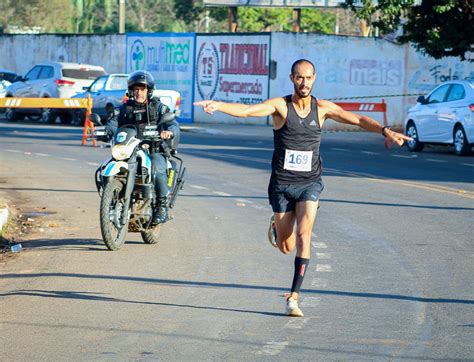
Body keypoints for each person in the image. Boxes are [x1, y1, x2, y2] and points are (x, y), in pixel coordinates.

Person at [194, 59, 411, 317]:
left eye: (308, 78)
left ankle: (294, 297)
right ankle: (276, 226)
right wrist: (218, 105)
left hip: (310, 183)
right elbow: (247, 111)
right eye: (299, 78)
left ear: (314, 79)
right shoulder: (280, 107)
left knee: (304, 236)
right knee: (286, 246)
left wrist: (385, 130)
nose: (304, 82)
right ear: (292, 78)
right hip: (282, 186)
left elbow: (359, 119)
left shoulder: (322, 109)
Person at [105, 70, 180, 224]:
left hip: (154, 149)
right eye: (136, 89)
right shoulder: (124, 109)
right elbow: (112, 123)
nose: (139, 93)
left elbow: (172, 123)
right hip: (129, 150)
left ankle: (162, 206)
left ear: (149, 91)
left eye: (142, 89)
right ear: (131, 91)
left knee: (157, 168)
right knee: (104, 167)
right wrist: (106, 132)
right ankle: (110, 199)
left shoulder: (158, 108)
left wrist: (169, 132)